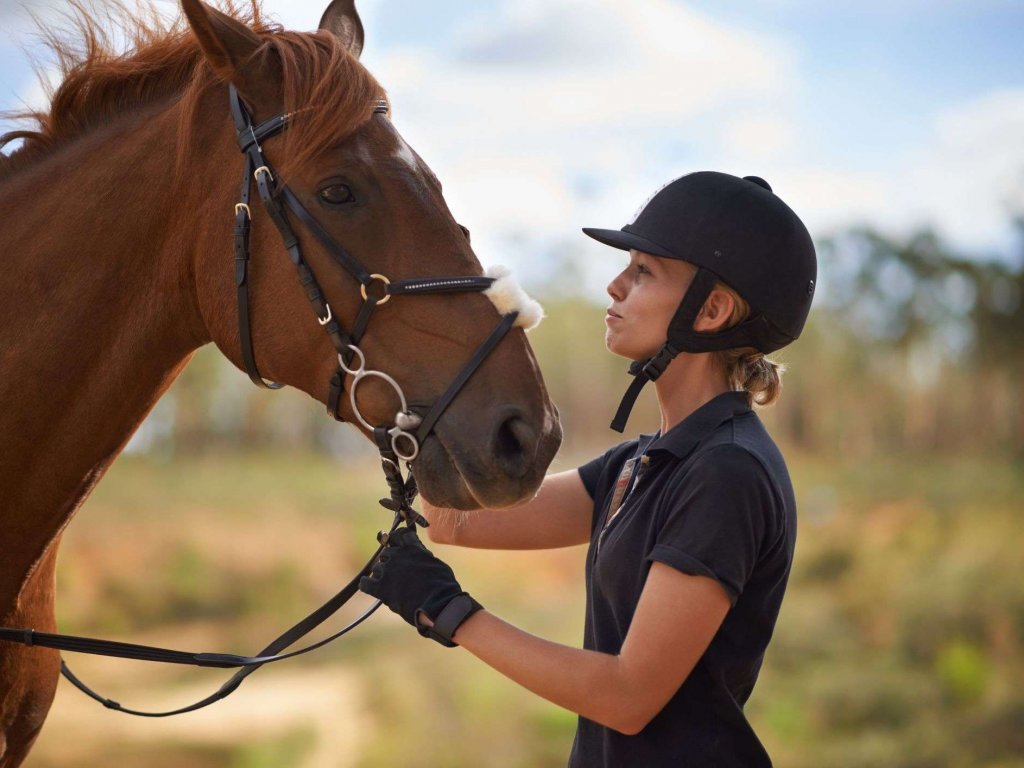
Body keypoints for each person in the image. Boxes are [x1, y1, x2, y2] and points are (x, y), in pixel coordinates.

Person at [360, 171, 817, 767]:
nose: (615, 284)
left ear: (711, 310)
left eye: (644, 271)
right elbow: (453, 522)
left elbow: (629, 697)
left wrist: (452, 614)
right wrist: (426, 368)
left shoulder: (727, 471)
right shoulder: (642, 463)